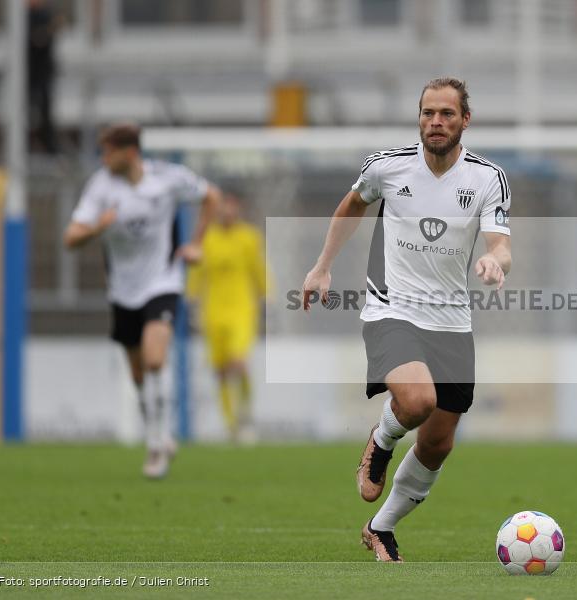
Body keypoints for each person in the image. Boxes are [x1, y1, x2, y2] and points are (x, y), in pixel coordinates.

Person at [302, 77, 512, 562]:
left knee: (438, 444)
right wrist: (322, 266)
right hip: (391, 309)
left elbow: (500, 242)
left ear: (465, 120)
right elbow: (352, 205)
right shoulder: (387, 166)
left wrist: (494, 262)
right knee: (417, 400)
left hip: (452, 321)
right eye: (427, 113)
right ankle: (381, 440)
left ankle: (381, 528)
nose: (435, 122)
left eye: (446, 114)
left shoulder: (487, 178)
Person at [63, 123, 221, 479]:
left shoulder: (166, 178)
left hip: (162, 282)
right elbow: (70, 238)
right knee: (137, 372)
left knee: (154, 359)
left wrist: (196, 242)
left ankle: (157, 445)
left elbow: (211, 195)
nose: (103, 159)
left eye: (108, 152)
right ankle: (156, 429)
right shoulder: (100, 187)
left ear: (129, 152)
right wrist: (96, 228)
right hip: (122, 290)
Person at [187, 189, 269, 444]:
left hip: (242, 309)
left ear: (239, 208)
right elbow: (197, 273)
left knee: (238, 361)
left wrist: (267, 295)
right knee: (221, 371)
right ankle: (231, 426)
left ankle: (245, 415)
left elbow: (259, 268)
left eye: (232, 206)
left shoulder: (249, 237)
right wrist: (190, 298)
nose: (227, 211)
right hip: (212, 312)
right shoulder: (206, 238)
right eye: (223, 206)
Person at [27, 0, 62, 154]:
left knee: (44, 111)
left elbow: (46, 37)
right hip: (26, 73)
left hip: (42, 73)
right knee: (26, 112)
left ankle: (49, 147)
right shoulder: (24, 16)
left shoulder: (45, 15)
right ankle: (28, 146)